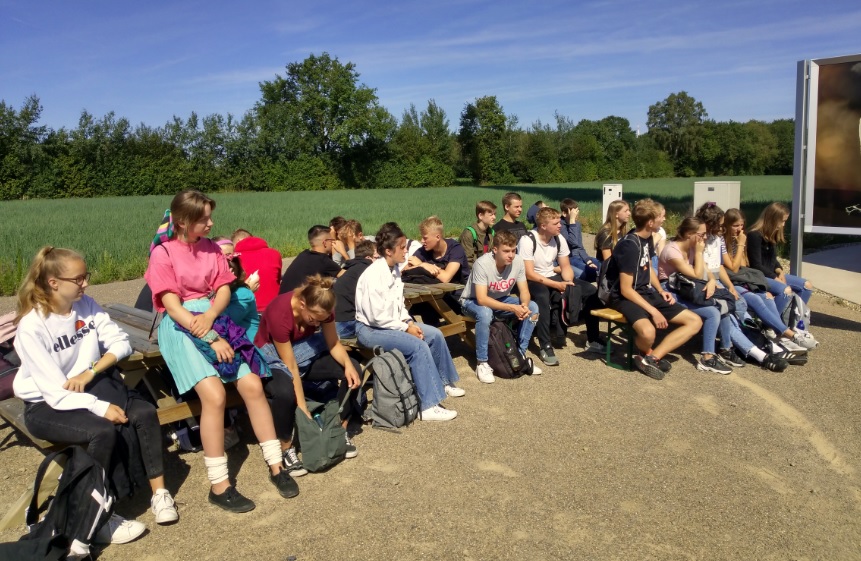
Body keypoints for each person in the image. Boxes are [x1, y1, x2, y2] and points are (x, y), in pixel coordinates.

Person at [13, 247, 175, 550]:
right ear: (53, 282)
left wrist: (89, 372)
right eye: (79, 278)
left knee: (143, 411)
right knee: (101, 431)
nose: (86, 283)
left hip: (85, 389)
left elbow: (120, 343)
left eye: (85, 276)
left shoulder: (86, 305)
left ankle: (158, 493)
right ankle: (97, 516)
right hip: (46, 405)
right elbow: (55, 392)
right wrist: (100, 407)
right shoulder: (33, 327)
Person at [145, 189, 296, 513]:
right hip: (183, 326)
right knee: (214, 396)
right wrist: (210, 334)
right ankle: (220, 485)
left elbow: (224, 287)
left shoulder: (212, 248)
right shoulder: (163, 253)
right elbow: (171, 305)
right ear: (184, 222)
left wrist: (213, 316)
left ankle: (276, 465)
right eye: (205, 219)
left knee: (253, 385)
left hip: (215, 321)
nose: (212, 223)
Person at [255, 275, 362, 476]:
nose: (317, 323)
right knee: (285, 392)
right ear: (302, 304)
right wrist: (303, 408)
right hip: (273, 355)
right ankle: (286, 447)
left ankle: (337, 430)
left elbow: (333, 343)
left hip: (304, 350)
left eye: (322, 320)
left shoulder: (322, 307)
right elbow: (291, 366)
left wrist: (347, 364)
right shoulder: (281, 313)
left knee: (355, 370)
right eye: (314, 319)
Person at [355, 222, 463, 422]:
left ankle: (443, 382)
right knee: (417, 346)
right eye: (402, 247)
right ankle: (428, 405)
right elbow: (377, 317)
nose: (407, 251)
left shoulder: (394, 269)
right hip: (370, 330)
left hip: (390, 325)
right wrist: (406, 328)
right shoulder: (374, 274)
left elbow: (399, 305)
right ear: (388, 250)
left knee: (435, 334)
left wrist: (408, 322)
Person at [606, 199, 702, 380]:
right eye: (661, 216)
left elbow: (648, 266)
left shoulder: (647, 237)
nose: (664, 219)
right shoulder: (630, 246)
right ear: (650, 222)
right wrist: (654, 311)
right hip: (623, 297)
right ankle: (647, 351)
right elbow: (626, 289)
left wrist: (660, 289)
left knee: (694, 321)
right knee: (648, 333)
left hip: (645, 292)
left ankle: (651, 357)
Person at [518, 207, 605, 365]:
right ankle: (545, 345)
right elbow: (529, 273)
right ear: (543, 226)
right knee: (542, 298)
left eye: (560, 222)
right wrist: (557, 284)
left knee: (591, 291)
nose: (560, 225)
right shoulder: (527, 240)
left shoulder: (558, 238)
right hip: (532, 280)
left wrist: (568, 282)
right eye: (556, 223)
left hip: (552, 276)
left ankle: (592, 339)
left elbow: (565, 266)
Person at [722, 208, 816, 352]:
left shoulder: (757, 236)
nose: (740, 229)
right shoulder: (750, 236)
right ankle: (778, 330)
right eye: (736, 226)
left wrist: (779, 270)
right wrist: (741, 244)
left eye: (741, 225)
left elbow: (750, 264)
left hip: (749, 276)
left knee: (806, 286)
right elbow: (744, 267)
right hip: (741, 279)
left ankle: (793, 326)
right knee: (779, 292)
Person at [460, 231, 541, 383]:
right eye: (506, 251)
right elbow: (482, 299)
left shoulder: (518, 261)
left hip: (499, 299)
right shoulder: (482, 264)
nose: (511, 255)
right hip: (471, 301)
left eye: (513, 250)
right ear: (495, 250)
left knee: (533, 307)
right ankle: (482, 362)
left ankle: (519, 355)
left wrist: (523, 306)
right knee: (485, 313)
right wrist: (513, 309)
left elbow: (524, 291)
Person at [657, 217, 735, 374]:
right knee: (713, 311)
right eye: (701, 234)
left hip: (689, 290)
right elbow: (697, 274)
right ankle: (707, 358)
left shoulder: (693, 247)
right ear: (688, 234)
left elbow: (706, 271)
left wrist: (712, 281)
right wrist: (699, 253)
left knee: (722, 305)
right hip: (672, 293)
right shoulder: (672, 251)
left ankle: (726, 350)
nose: (705, 238)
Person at [746, 202, 814, 313]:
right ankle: (774, 323)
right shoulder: (754, 235)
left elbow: (773, 259)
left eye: (785, 221)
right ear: (772, 219)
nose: (783, 225)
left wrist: (780, 271)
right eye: (782, 221)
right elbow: (756, 264)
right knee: (785, 290)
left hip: (771, 274)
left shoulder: (771, 235)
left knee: (806, 286)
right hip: (759, 276)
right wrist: (775, 278)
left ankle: (794, 319)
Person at [405, 216, 471, 284]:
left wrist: (421, 264)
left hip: (459, 292)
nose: (422, 241)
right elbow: (404, 271)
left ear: (437, 237)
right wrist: (422, 265)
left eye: (425, 238)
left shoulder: (456, 249)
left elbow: (446, 278)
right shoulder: (423, 251)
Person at [280, 225, 344, 294]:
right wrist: (343, 252)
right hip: (298, 302)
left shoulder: (303, 254)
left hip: (283, 299)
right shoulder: (322, 260)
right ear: (325, 243)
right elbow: (350, 275)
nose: (333, 243)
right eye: (331, 240)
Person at [232, 228, 284, 312]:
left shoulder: (234, 259)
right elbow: (277, 279)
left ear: (238, 241)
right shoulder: (274, 254)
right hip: (274, 308)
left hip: (247, 310)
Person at [334, 239, 376, 339]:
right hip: (347, 322)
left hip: (332, 320)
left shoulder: (351, 268)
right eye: (377, 257)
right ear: (368, 258)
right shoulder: (368, 269)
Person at [560, 199, 600, 282]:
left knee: (602, 266)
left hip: (580, 255)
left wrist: (588, 260)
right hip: (570, 257)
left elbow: (579, 246)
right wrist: (572, 222)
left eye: (577, 211)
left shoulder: (577, 224)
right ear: (564, 213)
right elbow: (573, 242)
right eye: (573, 213)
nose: (576, 215)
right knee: (590, 273)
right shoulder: (560, 226)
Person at [459, 200, 497, 266]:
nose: (494, 217)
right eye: (491, 215)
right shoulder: (469, 234)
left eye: (494, 214)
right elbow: (467, 260)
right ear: (480, 216)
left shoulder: (492, 233)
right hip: (473, 272)